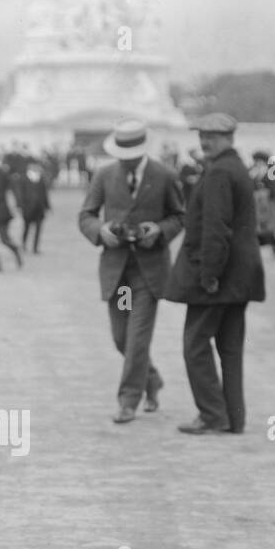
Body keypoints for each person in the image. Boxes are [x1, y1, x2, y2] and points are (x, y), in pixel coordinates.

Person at [77, 118, 184, 424]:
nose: (126, 162)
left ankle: (128, 400)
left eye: (132, 157)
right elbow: (85, 215)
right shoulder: (104, 175)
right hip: (119, 274)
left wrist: (159, 230)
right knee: (121, 338)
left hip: (148, 274)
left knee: (138, 338)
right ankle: (152, 380)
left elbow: (180, 216)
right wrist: (102, 230)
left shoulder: (164, 175)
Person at [166, 113, 265, 435]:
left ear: (229, 138)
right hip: (240, 276)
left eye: (212, 136)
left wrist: (209, 275)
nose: (205, 141)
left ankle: (212, 415)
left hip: (219, 277)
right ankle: (233, 418)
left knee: (195, 344)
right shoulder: (233, 167)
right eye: (202, 135)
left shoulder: (220, 172)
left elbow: (215, 229)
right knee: (230, 348)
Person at [19, 158, 51, 253]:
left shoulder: (41, 178)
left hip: (39, 208)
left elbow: (44, 194)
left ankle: (35, 247)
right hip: (28, 208)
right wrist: (22, 206)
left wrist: (47, 206)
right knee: (26, 228)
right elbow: (20, 194)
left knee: (38, 229)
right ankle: (24, 244)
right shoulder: (24, 179)